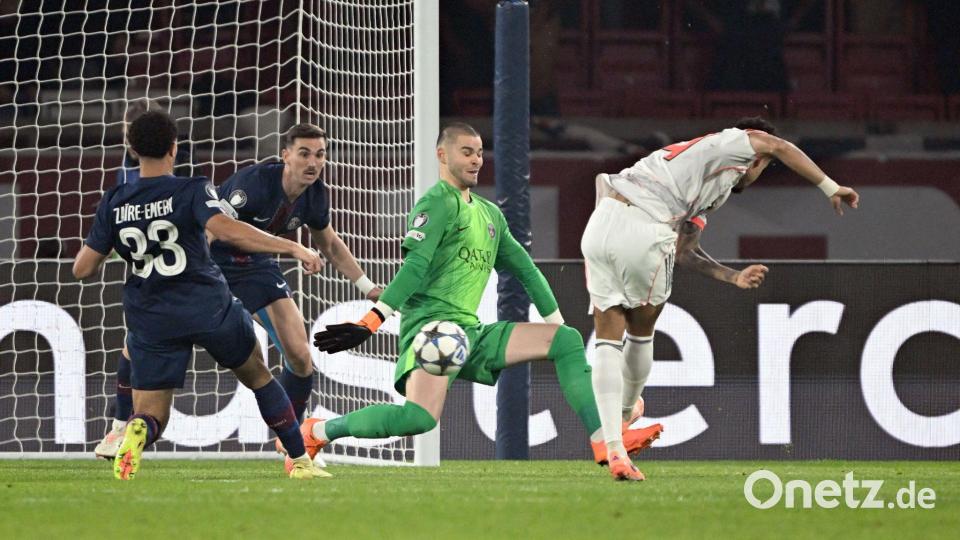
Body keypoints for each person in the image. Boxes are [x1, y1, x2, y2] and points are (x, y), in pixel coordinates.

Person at [310, 123, 663, 479]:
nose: (476, 160)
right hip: (431, 333)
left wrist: (556, 327)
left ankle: (606, 440)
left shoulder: (490, 215)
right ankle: (317, 431)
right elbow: (414, 266)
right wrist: (372, 321)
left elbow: (527, 271)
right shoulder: (435, 203)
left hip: (470, 332)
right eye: (467, 152)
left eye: (479, 152)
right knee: (417, 419)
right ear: (442, 155)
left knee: (567, 339)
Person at [581, 117, 860, 480]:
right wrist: (830, 186)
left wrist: (734, 276)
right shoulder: (732, 143)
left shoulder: (705, 179)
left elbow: (684, 252)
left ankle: (614, 444)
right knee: (641, 329)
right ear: (756, 157)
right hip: (646, 225)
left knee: (606, 333)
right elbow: (777, 145)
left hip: (601, 223)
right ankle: (624, 414)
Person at [72, 110, 329, 480]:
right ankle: (300, 461)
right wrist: (292, 248)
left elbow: (82, 269)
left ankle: (136, 428)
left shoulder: (114, 202)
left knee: (152, 413)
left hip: (152, 315)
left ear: (131, 150)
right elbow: (228, 230)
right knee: (259, 376)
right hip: (207, 306)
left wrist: (119, 242)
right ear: (175, 148)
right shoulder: (192, 189)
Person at [212, 124, 382, 437]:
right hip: (210, 265)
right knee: (176, 335)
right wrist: (293, 247)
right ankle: (123, 416)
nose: (313, 162)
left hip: (255, 268)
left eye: (320, 155)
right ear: (286, 156)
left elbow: (329, 244)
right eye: (304, 154)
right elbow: (216, 230)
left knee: (301, 358)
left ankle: (292, 443)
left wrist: (367, 288)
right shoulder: (253, 184)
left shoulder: (315, 195)